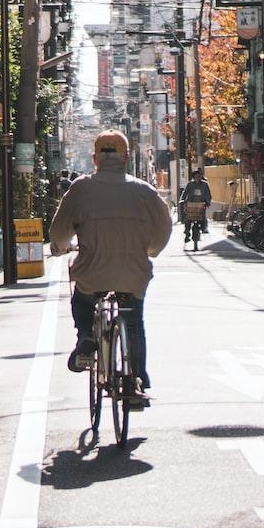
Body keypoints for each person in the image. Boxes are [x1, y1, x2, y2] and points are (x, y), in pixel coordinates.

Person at [49, 130, 172, 403]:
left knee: (82, 300)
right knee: (133, 321)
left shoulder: (80, 188)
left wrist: (59, 247)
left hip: (92, 273)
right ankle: (136, 380)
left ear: (95, 159)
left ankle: (85, 337)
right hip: (134, 274)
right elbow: (163, 230)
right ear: (126, 158)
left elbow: (59, 231)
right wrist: (151, 250)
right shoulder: (145, 191)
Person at [178, 169, 213, 238]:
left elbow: (208, 194)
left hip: (201, 204)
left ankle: (204, 228)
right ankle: (187, 232)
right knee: (188, 219)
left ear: (201, 177)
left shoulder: (205, 184)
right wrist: (182, 200)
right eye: (196, 177)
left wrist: (207, 202)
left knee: (203, 217)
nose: (197, 178)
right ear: (193, 177)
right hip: (191, 204)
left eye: (199, 176)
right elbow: (185, 193)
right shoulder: (190, 184)